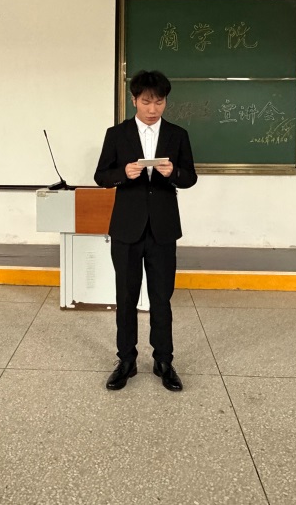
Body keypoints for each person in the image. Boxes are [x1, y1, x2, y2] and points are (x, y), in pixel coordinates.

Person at [94, 70, 197, 391]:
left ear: (166, 102)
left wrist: (174, 172)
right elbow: (101, 176)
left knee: (161, 298)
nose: (153, 109)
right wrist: (122, 173)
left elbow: (190, 177)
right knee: (125, 297)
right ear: (134, 100)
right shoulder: (117, 134)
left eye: (159, 102)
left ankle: (164, 360)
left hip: (163, 229)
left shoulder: (178, 135)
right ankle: (126, 360)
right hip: (126, 228)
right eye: (146, 102)